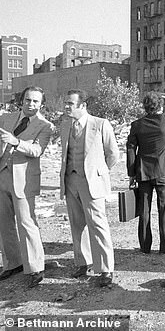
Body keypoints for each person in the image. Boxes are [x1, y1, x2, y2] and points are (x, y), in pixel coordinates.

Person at [60, 89, 119, 287]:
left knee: (98, 225)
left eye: (70, 104)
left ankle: (105, 269)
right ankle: (82, 262)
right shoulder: (65, 125)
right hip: (71, 182)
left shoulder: (100, 124)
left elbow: (113, 155)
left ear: (82, 105)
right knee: (77, 225)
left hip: (92, 182)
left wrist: (98, 173)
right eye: (66, 103)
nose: (66, 107)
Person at [0, 86, 54, 288]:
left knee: (26, 222)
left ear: (41, 104)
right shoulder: (7, 118)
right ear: (21, 100)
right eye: (28, 100)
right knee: (4, 224)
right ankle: (12, 263)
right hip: (2, 175)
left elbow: (37, 150)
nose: (31, 104)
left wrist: (15, 142)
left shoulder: (45, 125)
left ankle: (35, 268)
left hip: (23, 180)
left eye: (35, 101)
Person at [126, 91, 165, 254]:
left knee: (144, 211)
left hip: (143, 173)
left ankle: (145, 246)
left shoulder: (137, 125)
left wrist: (131, 173)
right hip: (163, 171)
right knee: (164, 209)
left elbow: (131, 148)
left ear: (145, 107)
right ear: (160, 106)